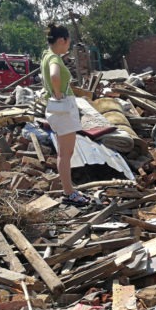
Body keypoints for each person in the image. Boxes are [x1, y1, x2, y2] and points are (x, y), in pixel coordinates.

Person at [41, 23, 89, 206]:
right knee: (66, 153)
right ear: (62, 40)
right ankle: (69, 192)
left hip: (55, 109)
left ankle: (68, 189)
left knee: (63, 152)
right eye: (68, 42)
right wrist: (59, 94)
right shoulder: (54, 58)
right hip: (62, 109)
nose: (68, 46)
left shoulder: (46, 55)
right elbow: (54, 76)